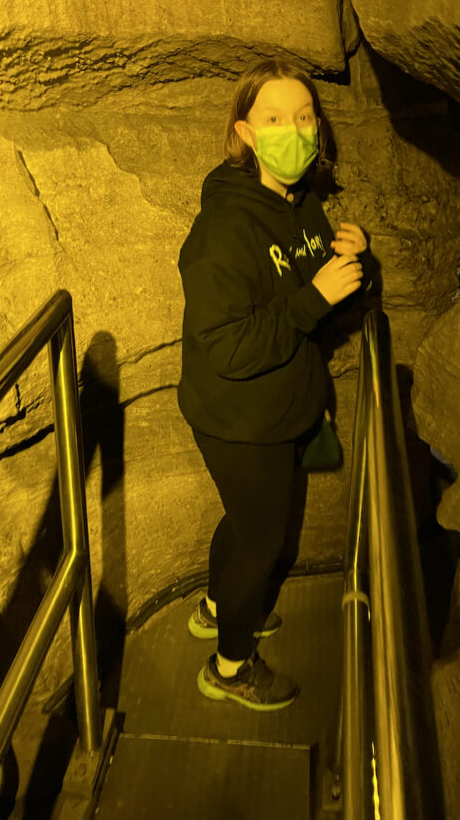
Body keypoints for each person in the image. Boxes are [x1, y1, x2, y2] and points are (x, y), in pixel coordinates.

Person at [177, 58, 368, 711]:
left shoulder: (305, 204)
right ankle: (229, 667)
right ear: (247, 133)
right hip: (239, 417)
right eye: (275, 118)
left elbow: (314, 295)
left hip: (281, 405)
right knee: (263, 538)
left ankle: (216, 604)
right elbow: (227, 345)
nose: (295, 129)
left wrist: (348, 262)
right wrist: (314, 298)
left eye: (305, 116)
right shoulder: (222, 231)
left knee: (247, 524)